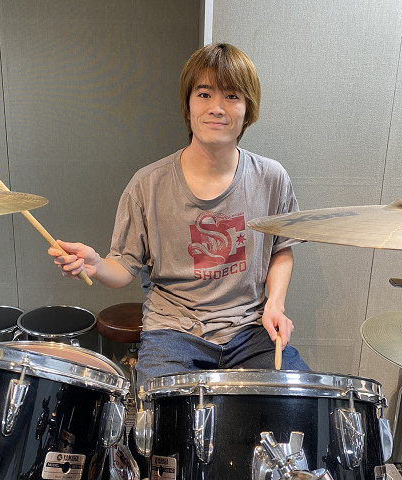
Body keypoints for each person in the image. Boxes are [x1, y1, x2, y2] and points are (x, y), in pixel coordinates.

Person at [48, 43, 309, 391]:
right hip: (173, 332)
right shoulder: (147, 185)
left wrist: (275, 304)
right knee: (160, 418)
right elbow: (123, 266)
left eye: (232, 96)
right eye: (204, 94)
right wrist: (96, 265)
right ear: (188, 105)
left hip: (250, 330)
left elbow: (281, 249)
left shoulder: (271, 178)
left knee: (298, 404)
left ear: (248, 109)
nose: (216, 108)